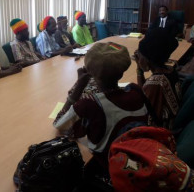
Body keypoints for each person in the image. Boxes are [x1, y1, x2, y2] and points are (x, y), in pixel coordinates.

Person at [54, 42, 148, 179]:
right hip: (138, 156)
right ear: (122, 73)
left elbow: (59, 125)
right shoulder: (135, 90)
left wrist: (79, 85)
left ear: (91, 73)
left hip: (108, 168)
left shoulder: (89, 104)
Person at [134, 28, 180, 129]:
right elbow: (144, 94)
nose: (137, 57)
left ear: (147, 59)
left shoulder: (155, 83)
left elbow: (146, 115)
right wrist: (139, 68)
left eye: (139, 55)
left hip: (160, 130)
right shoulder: (170, 70)